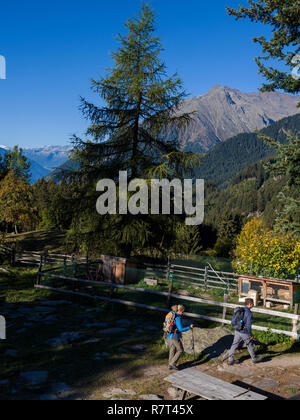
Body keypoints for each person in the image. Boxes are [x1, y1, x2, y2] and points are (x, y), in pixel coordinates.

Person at [228, 298, 263, 365]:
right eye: (253, 303)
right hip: (244, 332)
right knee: (249, 344)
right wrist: (250, 335)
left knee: (234, 345)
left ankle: (230, 360)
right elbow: (248, 325)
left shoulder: (241, 309)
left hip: (237, 330)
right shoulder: (249, 313)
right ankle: (254, 358)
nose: (253, 305)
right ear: (249, 304)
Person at [168, 304, 194, 370]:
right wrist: (189, 327)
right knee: (180, 350)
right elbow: (180, 329)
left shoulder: (173, 315)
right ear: (179, 311)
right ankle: (172, 364)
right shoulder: (178, 318)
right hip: (175, 336)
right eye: (182, 311)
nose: (183, 313)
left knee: (172, 349)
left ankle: (170, 364)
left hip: (170, 335)